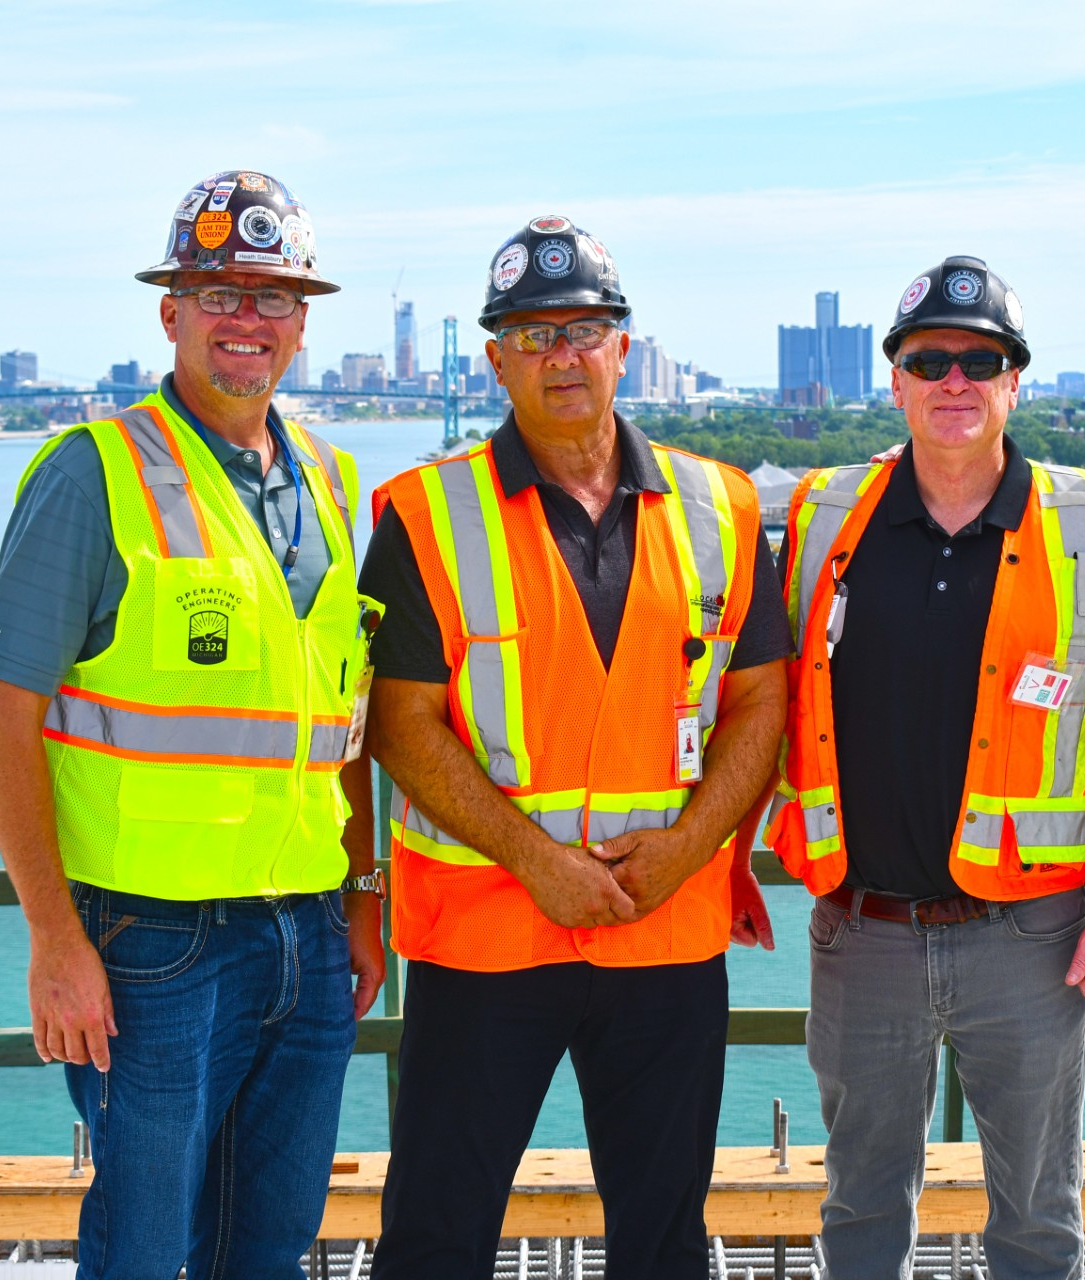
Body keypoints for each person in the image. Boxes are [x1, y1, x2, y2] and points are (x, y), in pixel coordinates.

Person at [0, 171, 384, 1279]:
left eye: (273, 296)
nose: (247, 318)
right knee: (148, 1251)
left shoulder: (335, 483)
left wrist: (362, 894)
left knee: (271, 1245)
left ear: (303, 323)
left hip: (305, 929)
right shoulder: (94, 474)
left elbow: (342, 724)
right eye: (219, 293)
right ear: (172, 313)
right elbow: (1, 712)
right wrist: (56, 941)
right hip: (151, 943)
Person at [360, 215, 792, 1279]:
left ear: (624, 346)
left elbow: (763, 704)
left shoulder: (723, 507)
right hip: (486, 937)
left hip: (665, 932)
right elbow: (399, 724)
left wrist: (686, 849)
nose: (563, 353)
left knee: (663, 1240)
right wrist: (536, 860)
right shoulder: (426, 513)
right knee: (434, 1233)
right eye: (535, 332)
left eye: (585, 328)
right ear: (494, 354)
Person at [762, 256, 1085, 1279]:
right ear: (893, 380)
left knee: (1037, 1213)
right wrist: (730, 858)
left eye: (979, 360)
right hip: (864, 930)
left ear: (1014, 381)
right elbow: (763, 708)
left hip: (1030, 937)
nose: (954, 380)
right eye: (928, 358)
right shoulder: (819, 522)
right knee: (859, 1208)